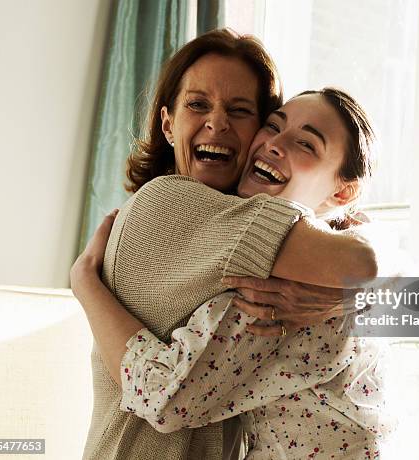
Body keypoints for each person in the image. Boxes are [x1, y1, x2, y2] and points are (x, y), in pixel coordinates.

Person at [73, 29, 378, 460]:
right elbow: (164, 399)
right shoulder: (169, 203)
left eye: (241, 111)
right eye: (198, 104)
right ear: (167, 123)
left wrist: (358, 297)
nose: (217, 123)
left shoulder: (282, 259)